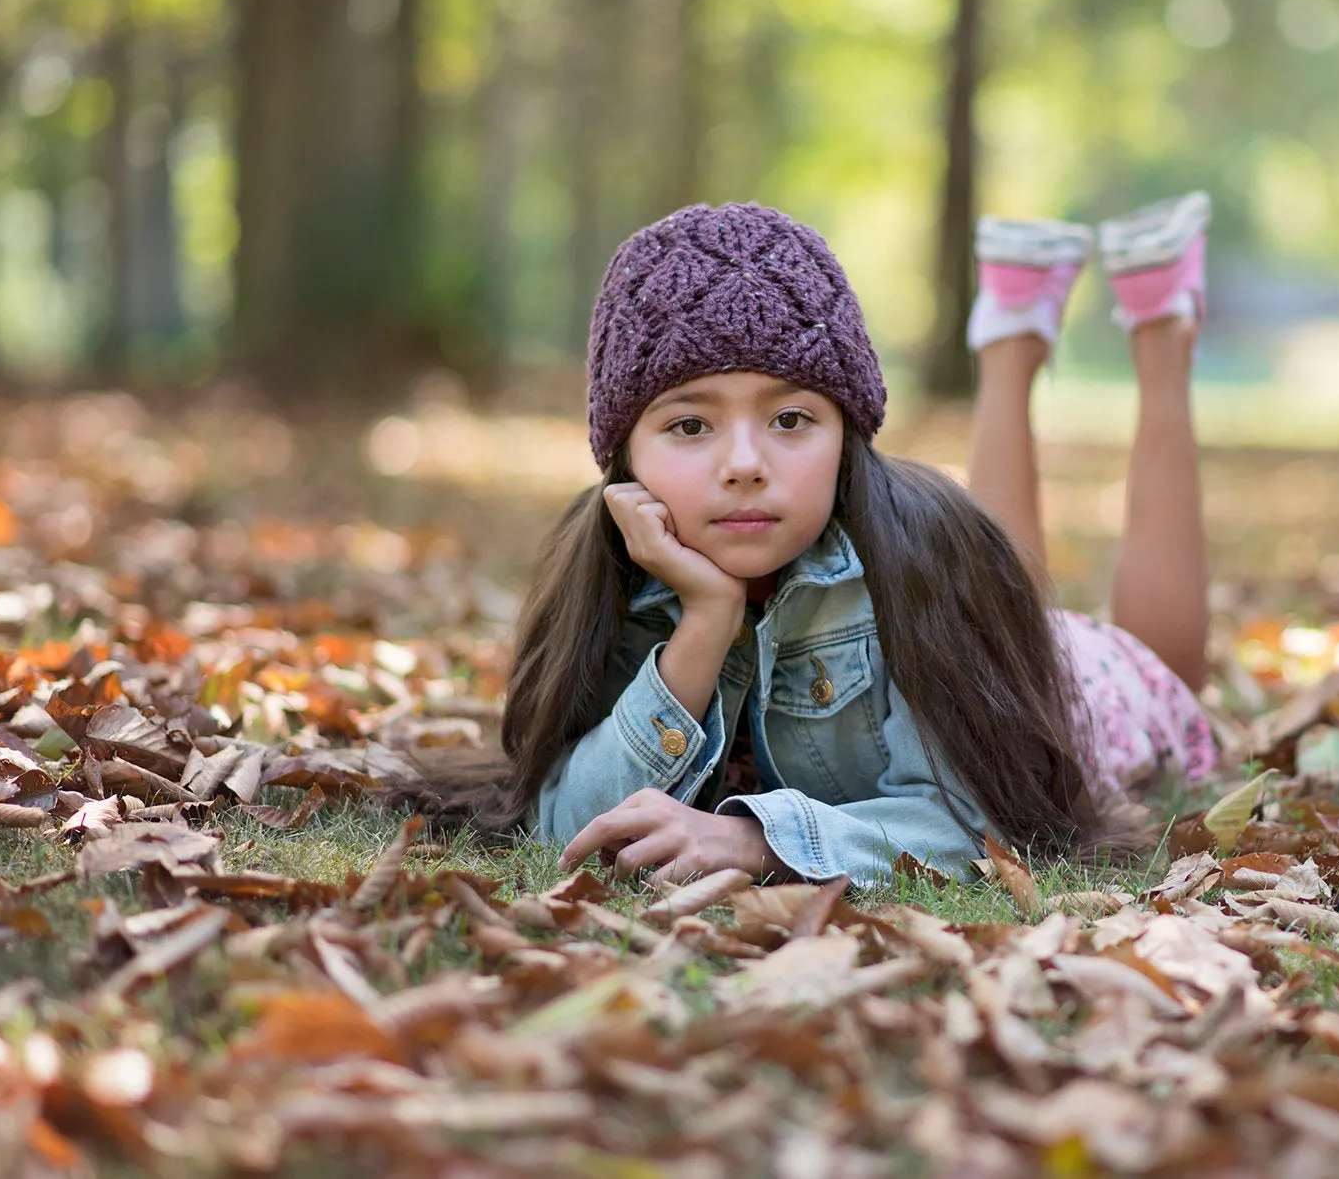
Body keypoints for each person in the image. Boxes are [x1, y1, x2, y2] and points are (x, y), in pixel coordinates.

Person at [440, 196, 1219, 887]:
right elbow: (566, 823)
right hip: (996, 626)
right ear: (625, 456)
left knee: (1163, 662)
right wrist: (705, 622)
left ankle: (1159, 330)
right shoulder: (605, 572)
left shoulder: (926, 551)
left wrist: (755, 840)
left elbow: (970, 821)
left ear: (847, 435)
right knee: (1005, 569)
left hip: (1075, 684)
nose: (744, 465)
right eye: (689, 424)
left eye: (790, 419)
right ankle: (1013, 326)